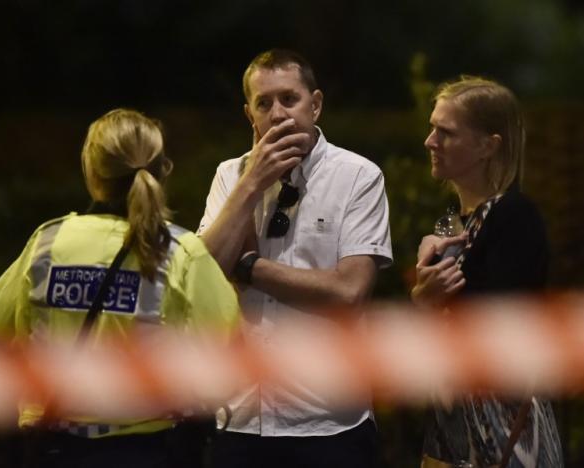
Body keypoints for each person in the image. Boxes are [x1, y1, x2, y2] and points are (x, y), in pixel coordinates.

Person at [0, 108, 240, 468]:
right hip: (150, 452)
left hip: (53, 449)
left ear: (91, 171)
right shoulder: (181, 253)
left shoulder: (47, 243)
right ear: (164, 169)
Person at [197, 49, 393, 468]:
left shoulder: (358, 176)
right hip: (240, 415)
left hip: (328, 421)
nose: (278, 113)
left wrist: (248, 266)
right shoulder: (230, 176)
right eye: (263, 103)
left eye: (290, 99)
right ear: (248, 113)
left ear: (315, 104)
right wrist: (252, 184)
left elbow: (349, 290)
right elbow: (203, 278)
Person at [411, 77, 563, 467]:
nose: (430, 141)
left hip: (501, 435)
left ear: (488, 146)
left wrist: (428, 299)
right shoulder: (449, 225)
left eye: (445, 132)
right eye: (432, 128)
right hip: (451, 434)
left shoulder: (513, 216)